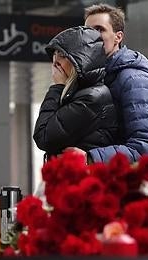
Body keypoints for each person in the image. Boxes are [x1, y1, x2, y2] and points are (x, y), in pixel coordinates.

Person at [64, 3, 148, 163]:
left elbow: (146, 149)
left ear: (118, 37)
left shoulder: (135, 80)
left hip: (121, 183)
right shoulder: (91, 78)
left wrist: (90, 158)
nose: (92, 36)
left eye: (100, 29)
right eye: (87, 31)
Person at [33, 26, 119, 160]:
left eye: (62, 56)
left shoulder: (91, 98)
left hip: (82, 177)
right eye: (54, 56)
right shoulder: (80, 93)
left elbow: (43, 136)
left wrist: (58, 87)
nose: (55, 62)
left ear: (80, 60)